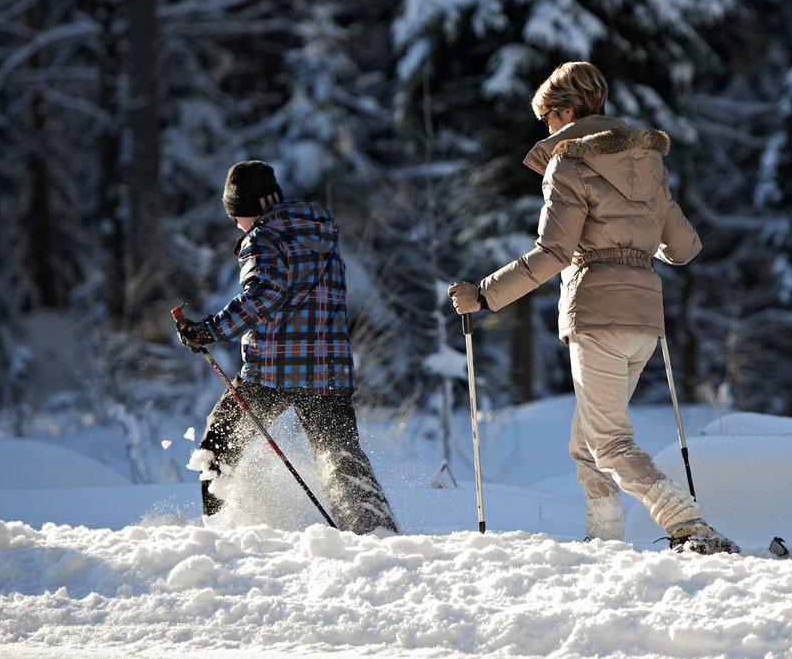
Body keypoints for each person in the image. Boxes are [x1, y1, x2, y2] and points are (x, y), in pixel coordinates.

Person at [448, 62, 738, 554]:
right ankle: (603, 540)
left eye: (547, 118)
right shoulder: (649, 164)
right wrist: (640, 247)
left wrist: (485, 294)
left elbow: (555, 252)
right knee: (587, 442)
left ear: (566, 111)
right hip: (644, 319)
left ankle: (688, 525)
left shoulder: (570, 163)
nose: (547, 128)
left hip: (597, 314)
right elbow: (684, 247)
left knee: (609, 443)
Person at [175, 159, 398, 534]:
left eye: (236, 217)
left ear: (247, 209)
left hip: (273, 372)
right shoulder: (321, 231)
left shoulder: (263, 238)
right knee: (342, 461)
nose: (237, 225)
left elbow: (265, 293)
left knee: (216, 451)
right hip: (330, 370)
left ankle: (219, 534)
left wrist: (209, 331)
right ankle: (376, 536)